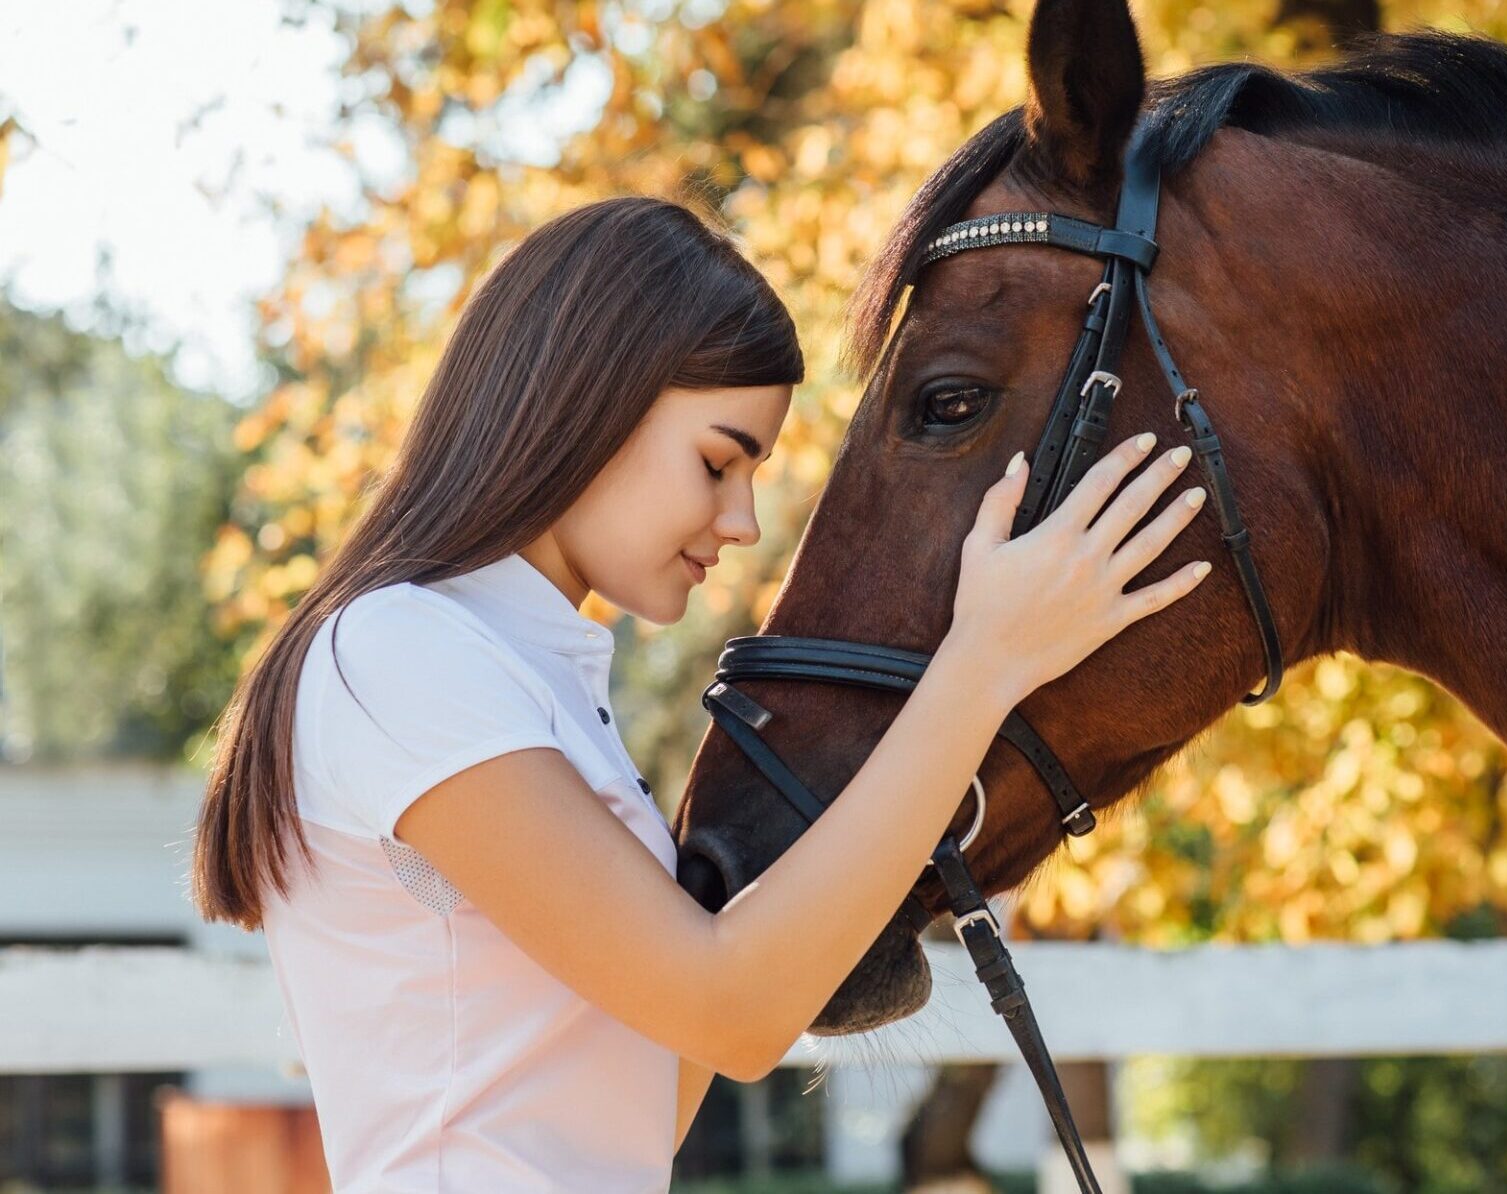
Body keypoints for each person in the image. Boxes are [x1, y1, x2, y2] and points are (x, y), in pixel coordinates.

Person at [189, 195, 1212, 1192]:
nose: (743, 522)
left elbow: (668, 1071)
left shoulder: (537, 685)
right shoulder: (401, 655)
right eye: (719, 462)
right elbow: (730, 1015)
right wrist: (982, 665)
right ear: (584, 405)